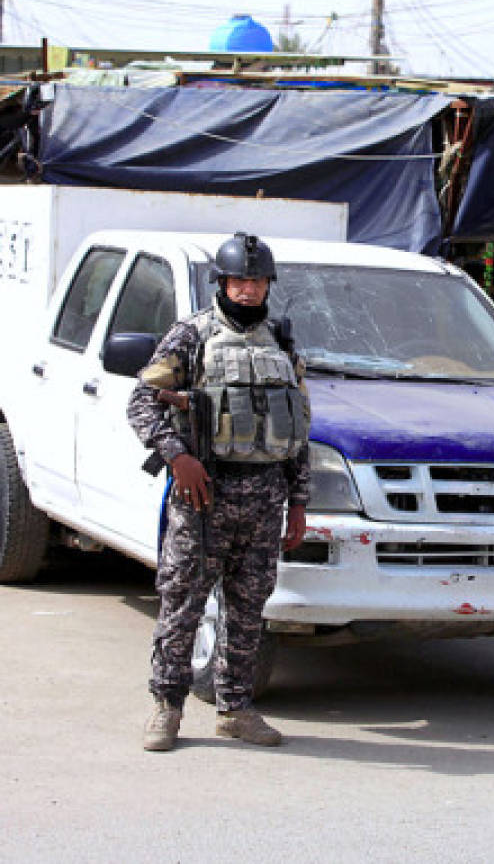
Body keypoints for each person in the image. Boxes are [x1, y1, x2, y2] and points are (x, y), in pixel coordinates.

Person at [128, 232, 310, 752]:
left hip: (265, 498)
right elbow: (141, 401)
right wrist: (176, 456)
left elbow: (298, 427)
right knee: (183, 603)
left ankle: (235, 709)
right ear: (223, 282)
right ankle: (166, 708)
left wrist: (299, 502)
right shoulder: (192, 335)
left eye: (256, 281)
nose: (248, 290)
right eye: (239, 280)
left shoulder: (281, 339)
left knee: (249, 608)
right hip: (205, 495)